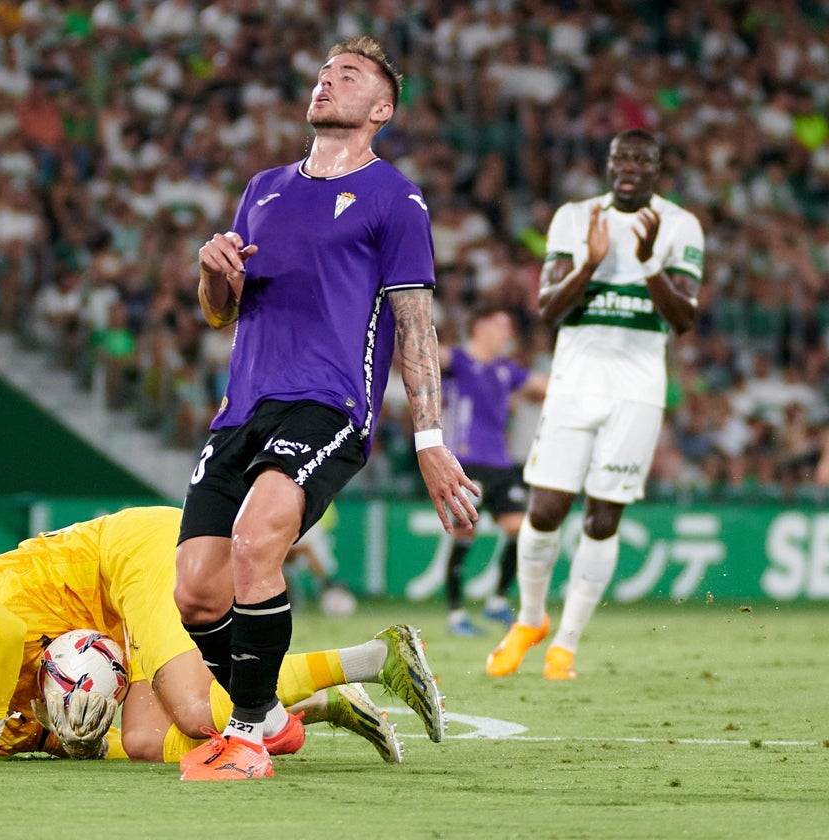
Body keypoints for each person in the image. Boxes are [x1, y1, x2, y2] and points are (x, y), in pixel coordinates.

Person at [173, 35, 478, 781]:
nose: (325, 82)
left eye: (347, 76)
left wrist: (430, 439)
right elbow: (223, 313)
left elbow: (415, 325)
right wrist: (212, 274)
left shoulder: (395, 198)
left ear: (380, 109)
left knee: (254, 548)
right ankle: (273, 719)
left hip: (329, 405)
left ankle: (244, 739)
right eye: (322, 73)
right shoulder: (264, 187)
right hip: (242, 408)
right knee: (195, 591)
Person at [0, 506, 445, 767]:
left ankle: (374, 657)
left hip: (121, 559)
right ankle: (324, 705)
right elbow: (75, 747)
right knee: (151, 743)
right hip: (118, 635)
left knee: (196, 712)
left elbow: (4, 631)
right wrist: (60, 741)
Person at [486, 129, 703, 680]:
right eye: (620, 158)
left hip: (636, 390)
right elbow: (548, 308)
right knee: (545, 509)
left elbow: (682, 318)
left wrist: (650, 264)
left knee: (603, 517)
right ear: (609, 164)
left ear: (657, 169)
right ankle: (529, 620)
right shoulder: (575, 218)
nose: (629, 166)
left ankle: (567, 643)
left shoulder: (679, 226)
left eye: (642, 159)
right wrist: (590, 263)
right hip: (574, 383)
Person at [440, 304, 548, 636]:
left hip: (501, 464)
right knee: (465, 532)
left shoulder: (505, 369)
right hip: (465, 460)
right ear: (481, 327)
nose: (506, 335)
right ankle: (456, 614)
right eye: (501, 326)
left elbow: (541, 385)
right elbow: (424, 353)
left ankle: (498, 601)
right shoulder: (456, 360)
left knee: (521, 529)